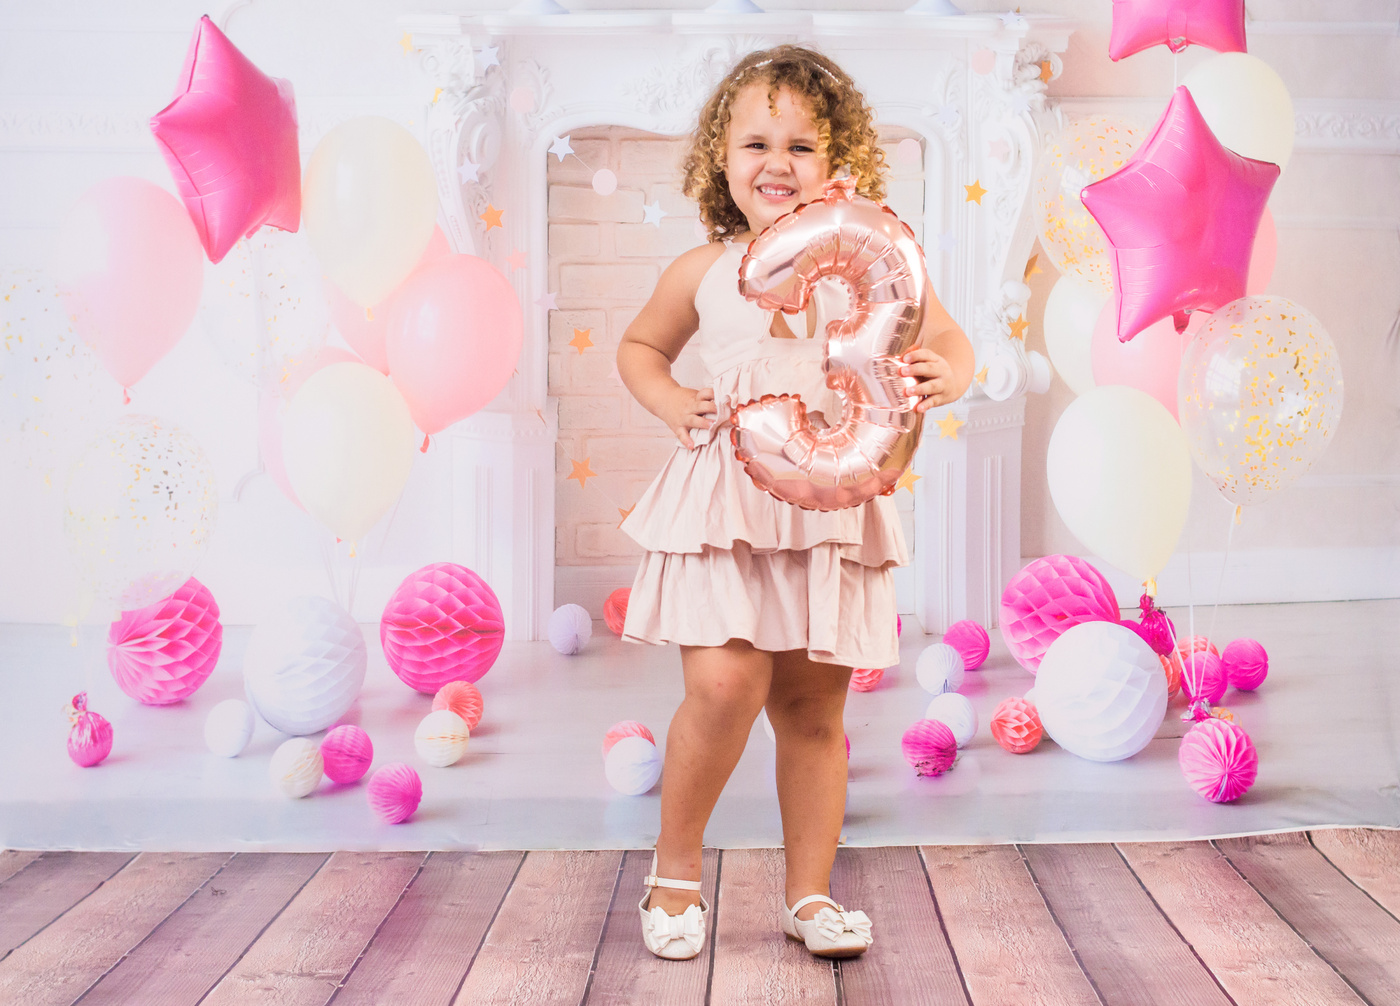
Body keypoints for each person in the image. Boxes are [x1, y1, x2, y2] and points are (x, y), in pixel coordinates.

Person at [615, 44, 974, 961]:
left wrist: (949, 371)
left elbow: (946, 337)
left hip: (829, 513)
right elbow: (641, 348)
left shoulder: (873, 269)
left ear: (837, 161)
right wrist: (669, 400)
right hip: (726, 508)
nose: (778, 163)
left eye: (803, 146)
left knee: (814, 714)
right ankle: (675, 870)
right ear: (722, 159)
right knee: (724, 686)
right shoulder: (705, 268)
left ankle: (809, 893)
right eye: (757, 143)